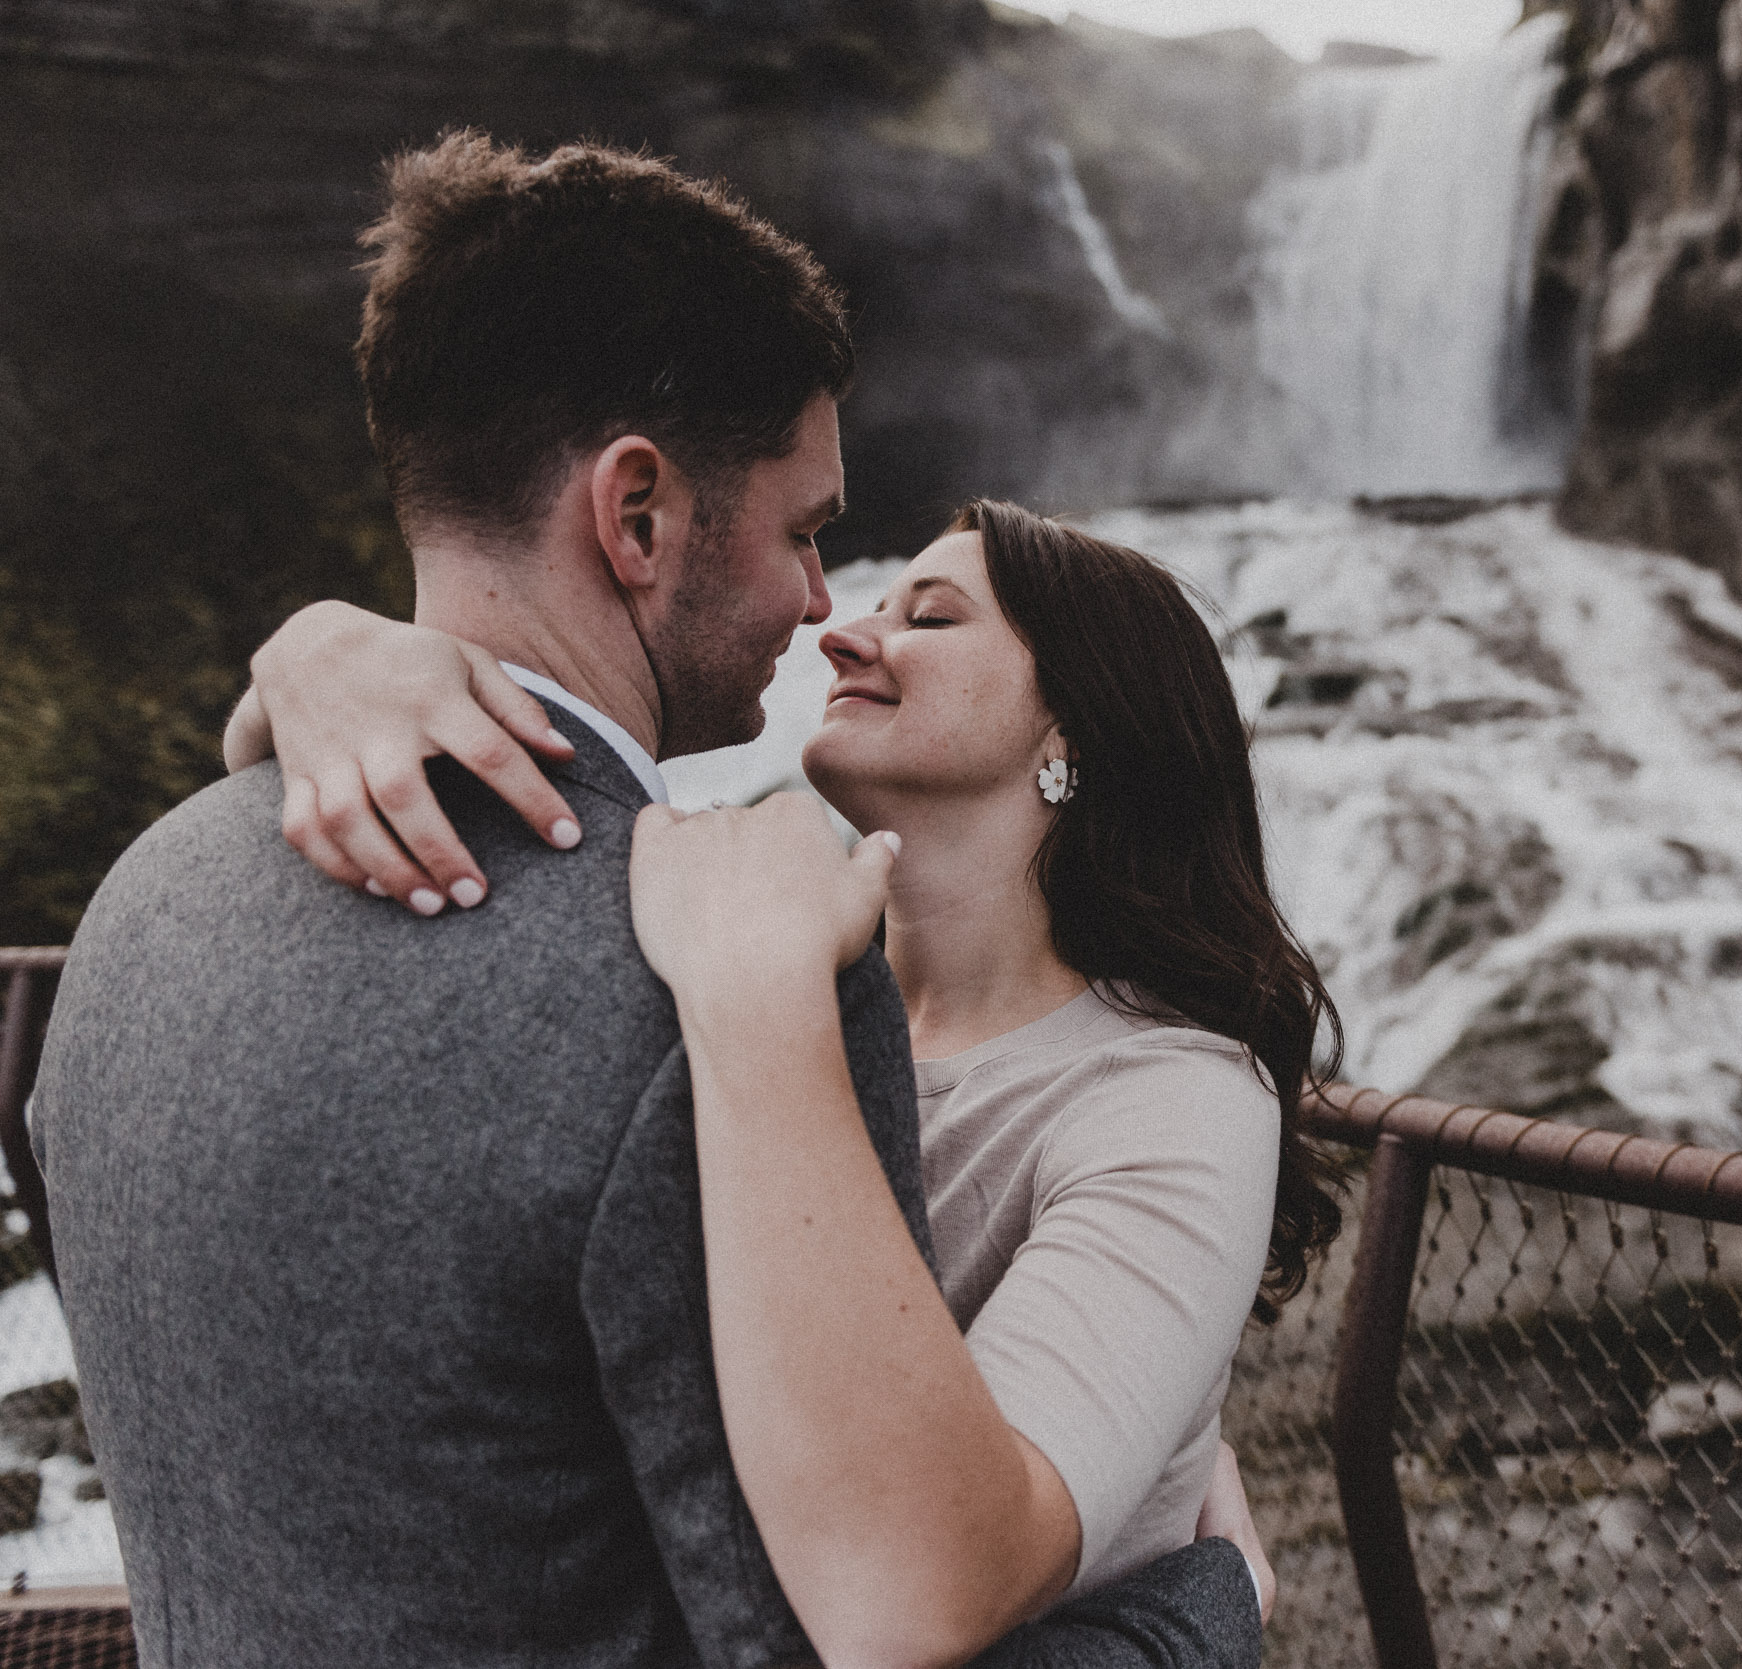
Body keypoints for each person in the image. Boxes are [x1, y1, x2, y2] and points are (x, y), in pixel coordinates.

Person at [28, 131, 1264, 1668]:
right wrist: (1198, 1610)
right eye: (811, 534)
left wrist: (308, 659)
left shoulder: (146, 903)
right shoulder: (728, 993)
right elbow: (846, 1621)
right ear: (636, 517)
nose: (829, 613)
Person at [233, 497, 1341, 1619]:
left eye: (932, 617)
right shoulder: (744, 947)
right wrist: (320, 653)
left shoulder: (1171, 1098)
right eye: (876, 603)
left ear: (1076, 728)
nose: (843, 633)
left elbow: (937, 1584)